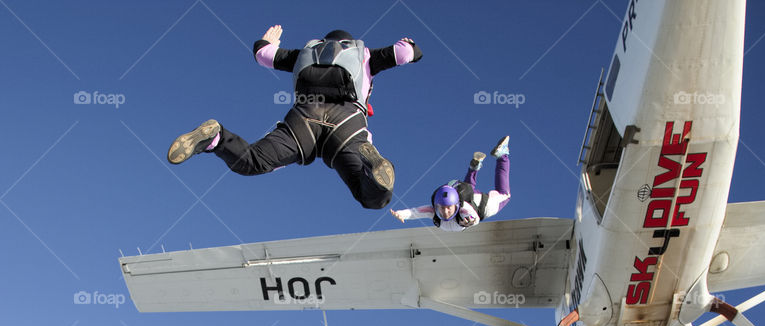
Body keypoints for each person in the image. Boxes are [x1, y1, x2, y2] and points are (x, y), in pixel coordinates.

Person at [166, 25, 423, 210]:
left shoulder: (303, 54)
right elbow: (407, 54)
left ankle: (217, 138)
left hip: (304, 119)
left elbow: (262, 56)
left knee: (252, 161)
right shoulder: (365, 54)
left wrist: (266, 43)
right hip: (347, 122)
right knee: (372, 199)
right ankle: (371, 168)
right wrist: (409, 43)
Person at [391, 136, 510, 231]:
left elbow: (474, 217)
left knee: (505, 195)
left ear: (456, 205)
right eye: (442, 208)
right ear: (436, 206)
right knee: (467, 188)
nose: (445, 212)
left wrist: (471, 222)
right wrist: (401, 214)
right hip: (468, 195)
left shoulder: (464, 210)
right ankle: (473, 168)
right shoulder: (433, 210)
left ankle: (502, 155)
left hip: (481, 205)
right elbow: (415, 212)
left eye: (448, 208)